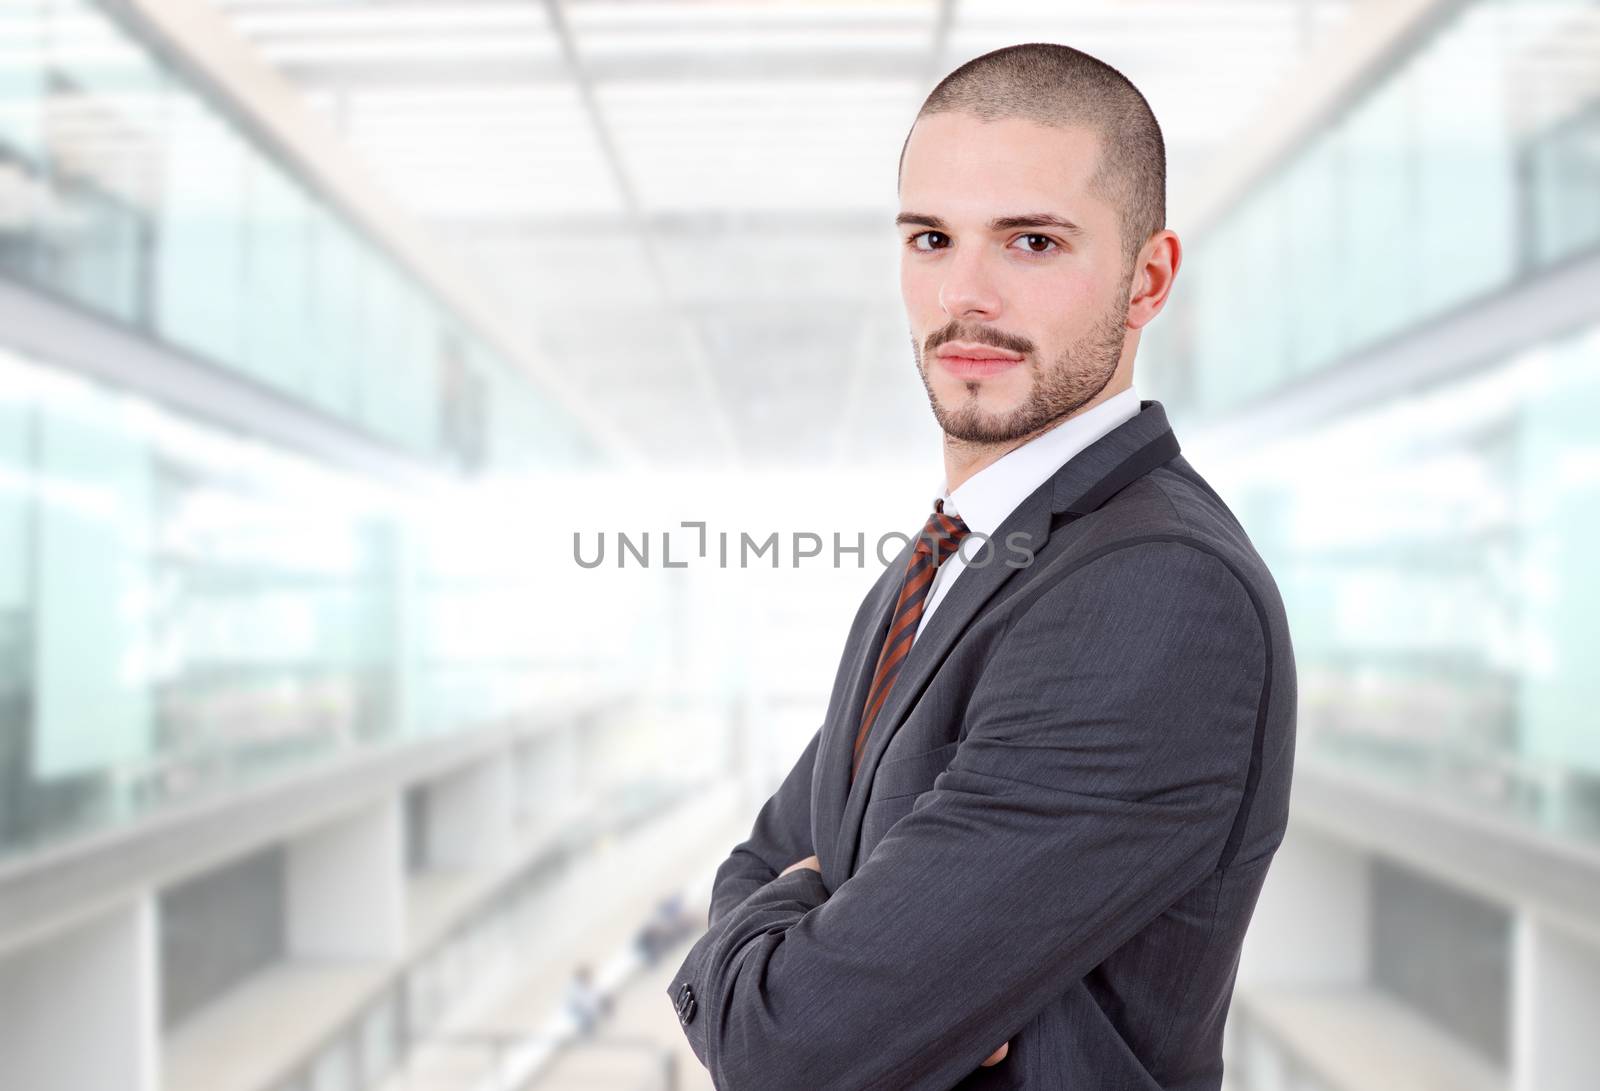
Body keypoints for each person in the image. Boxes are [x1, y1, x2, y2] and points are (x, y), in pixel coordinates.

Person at [667, 42, 1296, 1090]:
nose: (964, 294)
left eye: (1032, 242)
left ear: (1147, 279)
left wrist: (798, 941)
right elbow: (758, 858)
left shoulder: (1153, 590)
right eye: (930, 237)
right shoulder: (946, 558)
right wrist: (802, 929)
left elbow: (790, 1047)